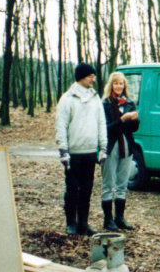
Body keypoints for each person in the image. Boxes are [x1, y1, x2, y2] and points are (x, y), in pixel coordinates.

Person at [55, 62, 107, 236]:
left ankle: (83, 223)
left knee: (87, 189)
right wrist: (63, 150)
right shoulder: (67, 99)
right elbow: (61, 125)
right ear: (81, 77)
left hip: (90, 152)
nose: (93, 79)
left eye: (94, 76)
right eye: (90, 76)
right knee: (72, 189)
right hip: (74, 153)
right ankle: (71, 223)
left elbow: (101, 123)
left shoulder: (95, 98)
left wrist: (103, 147)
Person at [100, 72, 140, 231]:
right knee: (108, 183)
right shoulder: (105, 104)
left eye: (121, 83)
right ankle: (108, 220)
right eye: (116, 83)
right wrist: (122, 120)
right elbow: (105, 129)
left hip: (126, 146)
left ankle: (120, 218)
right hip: (111, 146)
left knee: (122, 183)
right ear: (111, 85)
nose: (119, 86)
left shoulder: (129, 102)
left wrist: (134, 120)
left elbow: (134, 128)